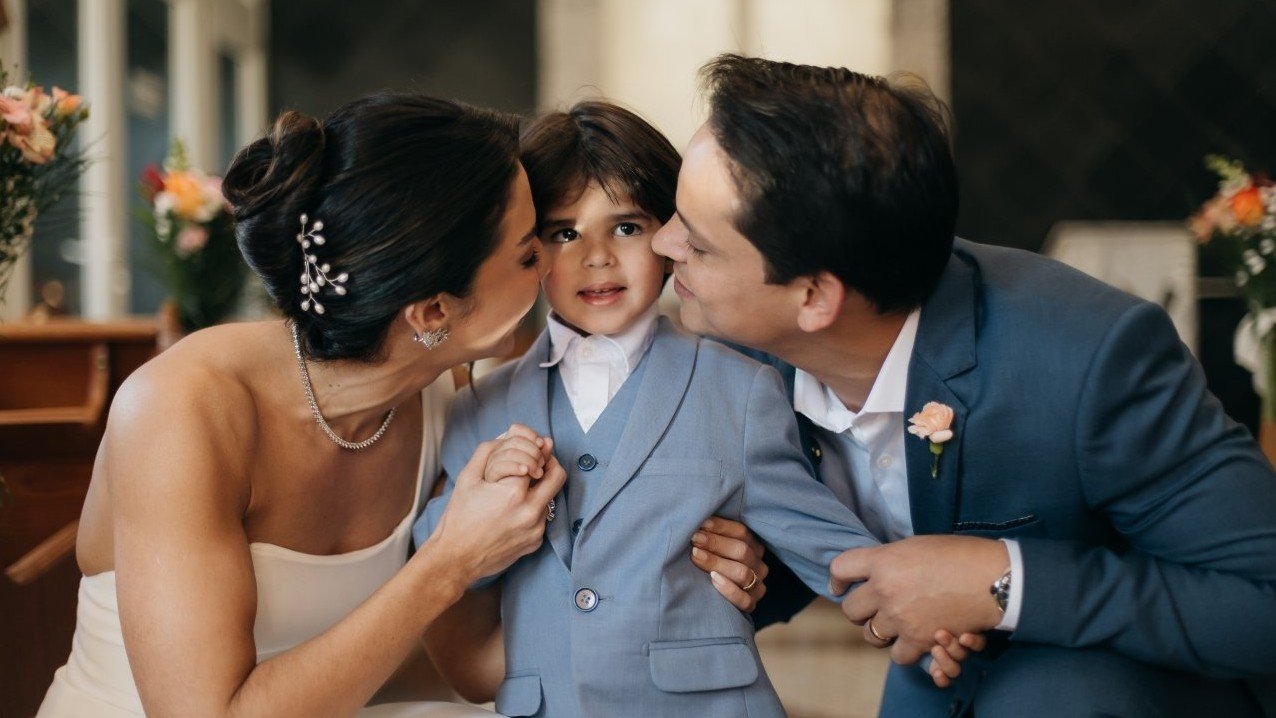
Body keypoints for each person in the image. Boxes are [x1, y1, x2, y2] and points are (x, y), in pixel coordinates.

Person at [651, 54, 1276, 717]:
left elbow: (1262, 599)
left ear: (814, 298)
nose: (663, 245)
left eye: (698, 243)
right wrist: (745, 571)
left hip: (1112, 688)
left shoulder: (1090, 361)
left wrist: (1002, 582)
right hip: (935, 681)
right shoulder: (736, 352)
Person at [37, 93, 568, 718]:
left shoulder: (443, 391)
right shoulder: (181, 411)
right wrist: (449, 562)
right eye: (529, 253)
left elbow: (452, 661)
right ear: (432, 312)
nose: (552, 265)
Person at [411, 101, 933, 718]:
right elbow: (444, 565)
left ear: (671, 239)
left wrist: (924, 617)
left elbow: (820, 541)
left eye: (626, 227)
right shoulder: (479, 405)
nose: (597, 256)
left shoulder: (741, 389)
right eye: (564, 233)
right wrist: (486, 503)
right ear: (529, 252)